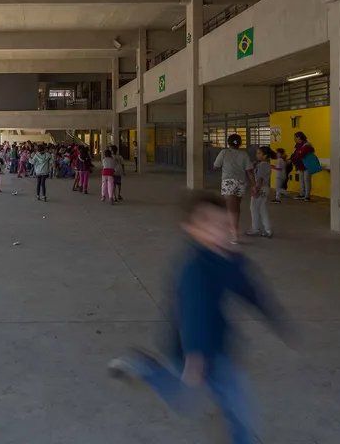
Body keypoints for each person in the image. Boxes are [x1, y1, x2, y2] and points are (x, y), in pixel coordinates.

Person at [108, 192, 289, 444]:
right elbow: (193, 313)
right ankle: (146, 367)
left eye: (224, 224)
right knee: (184, 401)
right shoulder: (193, 269)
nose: (220, 232)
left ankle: (243, 438)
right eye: (210, 225)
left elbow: (249, 288)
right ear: (191, 229)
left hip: (220, 346)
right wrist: (194, 356)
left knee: (238, 406)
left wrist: (273, 315)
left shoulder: (231, 260)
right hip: (187, 348)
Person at [213, 134, 254, 244]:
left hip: (228, 182)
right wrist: (253, 185)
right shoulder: (244, 154)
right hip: (241, 183)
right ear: (240, 143)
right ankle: (233, 228)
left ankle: (235, 233)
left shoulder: (224, 152)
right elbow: (249, 171)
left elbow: (216, 165)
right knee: (236, 207)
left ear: (228, 143)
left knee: (231, 209)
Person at [248, 146, 276, 239]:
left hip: (261, 188)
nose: (257, 155)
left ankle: (255, 229)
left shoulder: (262, 165)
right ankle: (268, 230)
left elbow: (260, 179)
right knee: (262, 209)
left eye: (259, 153)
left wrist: (256, 189)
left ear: (265, 155)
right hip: (265, 188)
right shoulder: (265, 164)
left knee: (254, 208)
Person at [289, 132, 316, 202]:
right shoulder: (297, 145)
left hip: (307, 165)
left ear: (299, 137)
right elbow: (295, 153)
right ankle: (302, 194)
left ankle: (307, 196)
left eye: (295, 137)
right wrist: (291, 158)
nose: (294, 139)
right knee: (301, 180)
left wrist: (293, 158)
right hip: (300, 165)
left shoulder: (307, 145)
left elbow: (301, 154)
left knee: (307, 180)